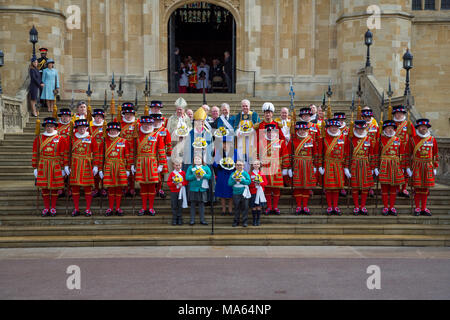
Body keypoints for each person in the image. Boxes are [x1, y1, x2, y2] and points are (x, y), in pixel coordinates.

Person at [134, 115, 168, 216]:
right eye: (145, 124)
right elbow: (133, 151)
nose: (147, 126)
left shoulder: (156, 136)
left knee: (152, 187)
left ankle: (151, 208)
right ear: (142, 124)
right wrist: (132, 164)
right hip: (141, 163)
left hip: (152, 163)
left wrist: (161, 164)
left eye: (149, 124)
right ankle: (144, 207)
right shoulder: (137, 136)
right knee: (143, 186)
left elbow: (161, 151)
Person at [66, 119, 101, 217]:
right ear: (76, 129)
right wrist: (66, 165)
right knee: (75, 188)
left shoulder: (91, 138)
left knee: (87, 188)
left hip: (87, 164)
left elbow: (96, 153)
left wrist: (95, 165)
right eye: (79, 127)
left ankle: (88, 209)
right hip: (75, 164)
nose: (82, 129)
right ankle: (76, 208)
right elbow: (67, 153)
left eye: (83, 127)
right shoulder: (71, 139)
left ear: (86, 128)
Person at [32, 117, 66, 217]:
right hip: (42, 165)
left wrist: (64, 167)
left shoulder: (61, 139)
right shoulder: (39, 139)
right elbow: (35, 153)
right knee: (44, 188)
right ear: (45, 127)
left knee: (54, 188)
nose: (49, 128)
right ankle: (46, 207)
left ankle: (53, 208)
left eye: (51, 126)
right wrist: (35, 167)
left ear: (55, 127)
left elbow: (63, 154)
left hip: (55, 165)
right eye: (47, 126)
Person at [374, 120, 407, 216]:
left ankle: (392, 207)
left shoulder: (398, 140)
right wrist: (375, 167)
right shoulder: (380, 140)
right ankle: (385, 207)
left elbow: (402, 154)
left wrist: (403, 167)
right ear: (384, 129)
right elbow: (376, 154)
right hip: (384, 165)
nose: (390, 130)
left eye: (392, 128)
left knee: (393, 188)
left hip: (395, 165)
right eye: (388, 128)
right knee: (384, 188)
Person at [407, 119, 439, 216]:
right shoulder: (413, 139)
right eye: (421, 127)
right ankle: (417, 208)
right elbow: (408, 154)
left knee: (425, 189)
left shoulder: (432, 139)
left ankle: (423, 208)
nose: (423, 128)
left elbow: (436, 154)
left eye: (425, 127)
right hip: (417, 166)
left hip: (428, 166)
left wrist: (435, 166)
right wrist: (408, 168)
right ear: (418, 128)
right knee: (417, 188)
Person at [344, 120, 376, 215]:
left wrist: (373, 167)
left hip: (365, 164)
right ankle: (356, 206)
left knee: (365, 187)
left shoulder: (368, 139)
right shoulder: (350, 139)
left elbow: (371, 154)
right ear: (355, 129)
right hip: (354, 164)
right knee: (355, 187)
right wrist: (346, 167)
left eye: (362, 129)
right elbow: (347, 154)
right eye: (358, 129)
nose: (360, 131)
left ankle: (363, 206)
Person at [99, 121, 131, 216]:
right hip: (108, 166)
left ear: (118, 130)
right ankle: (110, 208)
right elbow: (100, 157)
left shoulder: (123, 141)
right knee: (111, 189)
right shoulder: (104, 142)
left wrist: (128, 169)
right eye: (111, 130)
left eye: (115, 130)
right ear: (108, 130)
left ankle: (117, 208)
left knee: (119, 188)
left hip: (120, 166)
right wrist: (100, 169)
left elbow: (128, 156)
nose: (113, 132)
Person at [317, 119, 347, 215]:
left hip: (339, 165)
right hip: (328, 164)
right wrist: (319, 166)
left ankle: (336, 206)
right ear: (328, 128)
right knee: (329, 187)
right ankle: (330, 206)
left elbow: (346, 153)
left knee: (337, 187)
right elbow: (319, 153)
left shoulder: (343, 137)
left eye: (336, 127)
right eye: (332, 127)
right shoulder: (323, 138)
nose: (334, 129)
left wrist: (346, 166)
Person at [258, 123, 289, 215]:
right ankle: (269, 207)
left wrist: (285, 168)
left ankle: (275, 207)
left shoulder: (280, 142)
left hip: (277, 167)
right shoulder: (261, 143)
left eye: (272, 132)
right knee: (267, 188)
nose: (270, 134)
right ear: (265, 133)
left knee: (276, 188)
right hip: (265, 168)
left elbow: (285, 155)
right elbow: (256, 156)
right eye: (268, 132)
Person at [288, 121, 318, 215]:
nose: (302, 131)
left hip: (308, 165)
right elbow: (288, 154)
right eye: (300, 129)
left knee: (306, 186)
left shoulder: (311, 140)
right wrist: (289, 167)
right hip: (297, 165)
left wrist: (315, 166)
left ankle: (305, 206)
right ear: (297, 130)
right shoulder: (293, 140)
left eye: (304, 129)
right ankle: (298, 206)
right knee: (298, 187)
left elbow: (315, 154)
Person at [392, 105, 415, 198]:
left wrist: (413, 152)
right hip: (394, 152)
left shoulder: (408, 124)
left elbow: (413, 138)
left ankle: (404, 188)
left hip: (406, 151)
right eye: (397, 113)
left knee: (406, 170)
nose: (399, 115)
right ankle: (397, 187)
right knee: (396, 170)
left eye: (400, 113)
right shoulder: (391, 124)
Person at [233, 99, 260, 171]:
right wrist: (238, 131)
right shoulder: (239, 116)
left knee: (250, 156)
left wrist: (252, 131)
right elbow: (235, 127)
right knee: (241, 155)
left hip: (251, 140)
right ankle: (241, 171)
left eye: (246, 106)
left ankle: (251, 172)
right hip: (241, 140)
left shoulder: (254, 115)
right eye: (243, 106)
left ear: (249, 106)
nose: (245, 107)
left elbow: (258, 126)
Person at [186, 155, 212, 225]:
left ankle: (202, 220)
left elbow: (210, 176)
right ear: (193, 160)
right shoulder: (191, 167)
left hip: (202, 188)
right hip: (193, 188)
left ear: (202, 160)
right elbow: (187, 177)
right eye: (195, 159)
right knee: (193, 204)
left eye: (199, 159)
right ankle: (192, 220)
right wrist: (194, 176)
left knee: (202, 204)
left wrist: (203, 175)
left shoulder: (206, 167)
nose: (197, 160)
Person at [151, 112, 172, 199]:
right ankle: (153, 188)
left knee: (161, 173)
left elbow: (168, 143)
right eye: (154, 120)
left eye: (158, 120)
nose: (156, 122)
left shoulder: (164, 130)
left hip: (161, 155)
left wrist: (168, 154)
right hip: (151, 154)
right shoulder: (149, 130)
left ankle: (159, 188)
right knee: (152, 172)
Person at [119, 103, 139, 197]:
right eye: (127, 115)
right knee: (123, 169)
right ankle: (124, 187)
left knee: (132, 170)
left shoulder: (137, 124)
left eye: (130, 115)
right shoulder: (120, 123)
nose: (128, 116)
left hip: (133, 150)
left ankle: (132, 187)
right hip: (122, 150)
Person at [213, 140, 236, 216]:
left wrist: (234, 166)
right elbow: (215, 162)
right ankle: (223, 209)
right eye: (224, 144)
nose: (225, 146)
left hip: (231, 174)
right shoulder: (219, 152)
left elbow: (238, 161)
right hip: (222, 174)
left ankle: (230, 209)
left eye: (227, 144)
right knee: (222, 192)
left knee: (230, 192)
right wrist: (218, 165)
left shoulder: (234, 151)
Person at [228, 160, 251, 227]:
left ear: (243, 166)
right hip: (236, 193)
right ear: (235, 166)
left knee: (245, 207)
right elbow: (229, 183)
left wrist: (242, 180)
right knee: (236, 207)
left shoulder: (245, 173)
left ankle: (245, 222)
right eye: (237, 165)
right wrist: (234, 181)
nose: (239, 166)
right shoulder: (233, 174)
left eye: (240, 165)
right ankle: (236, 221)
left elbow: (249, 182)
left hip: (244, 193)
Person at [90, 109, 106, 198]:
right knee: (95, 172)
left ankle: (103, 187)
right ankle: (96, 188)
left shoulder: (106, 127)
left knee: (102, 170)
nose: (98, 119)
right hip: (94, 153)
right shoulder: (90, 128)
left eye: (100, 117)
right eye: (96, 117)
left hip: (103, 152)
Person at [167, 159, 188, 225]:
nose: (177, 167)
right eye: (176, 165)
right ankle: (174, 218)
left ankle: (179, 218)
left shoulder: (183, 173)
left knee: (180, 205)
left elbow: (186, 181)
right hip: (174, 191)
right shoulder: (172, 174)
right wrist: (174, 183)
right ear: (173, 166)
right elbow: (168, 183)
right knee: (174, 205)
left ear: (181, 165)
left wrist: (182, 183)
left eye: (179, 165)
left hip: (181, 192)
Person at [248, 159, 267, 226]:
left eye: (257, 164)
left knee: (259, 207)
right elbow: (249, 183)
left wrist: (260, 183)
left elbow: (265, 183)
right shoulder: (250, 173)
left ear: (260, 165)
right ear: (252, 165)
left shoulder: (262, 173)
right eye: (255, 164)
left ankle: (258, 220)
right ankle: (254, 220)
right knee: (253, 206)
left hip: (260, 192)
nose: (256, 165)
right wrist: (254, 183)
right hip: (253, 191)